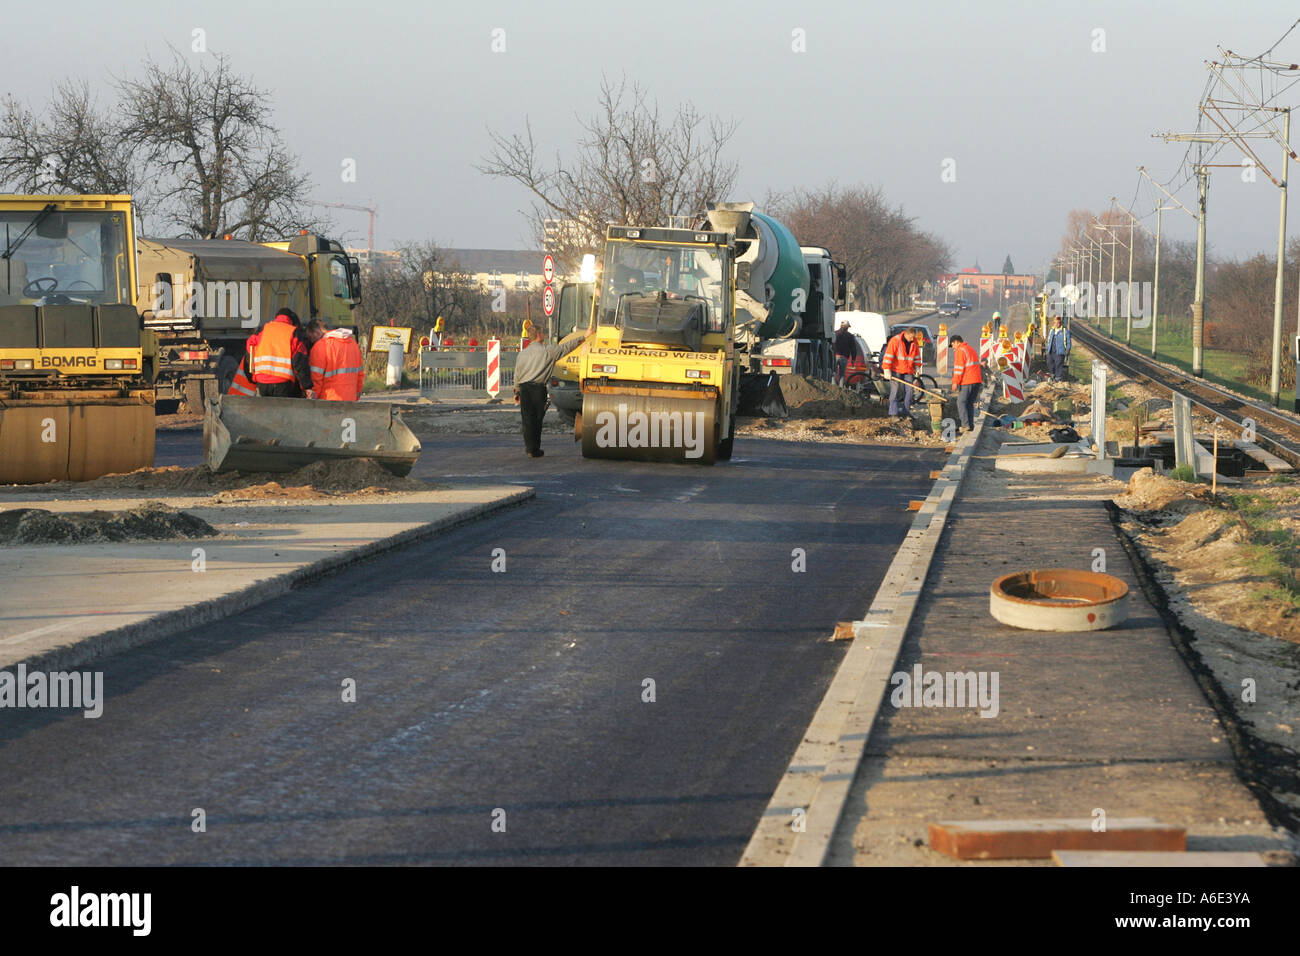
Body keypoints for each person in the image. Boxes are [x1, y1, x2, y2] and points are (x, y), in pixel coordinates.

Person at [512, 324, 593, 457]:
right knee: (537, 420)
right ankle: (535, 449)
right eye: (543, 332)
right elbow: (565, 348)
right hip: (538, 390)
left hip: (524, 389)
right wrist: (584, 337)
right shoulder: (548, 351)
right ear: (539, 335)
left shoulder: (522, 354)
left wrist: (516, 392)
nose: (544, 335)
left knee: (527, 420)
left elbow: (517, 374)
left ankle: (529, 448)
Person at [244, 307, 314, 398]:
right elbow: (300, 362)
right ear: (291, 320)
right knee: (281, 411)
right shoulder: (293, 332)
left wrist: (253, 378)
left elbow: (250, 350)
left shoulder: (263, 330)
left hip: (262, 381)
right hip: (283, 383)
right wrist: (306, 386)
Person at [306, 319, 365, 401]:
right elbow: (360, 375)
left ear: (316, 332)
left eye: (311, 337)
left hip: (328, 400)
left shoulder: (320, 347)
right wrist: (356, 395)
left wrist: (313, 399)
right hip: (350, 399)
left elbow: (316, 380)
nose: (311, 341)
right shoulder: (353, 344)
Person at [881, 326, 922, 417]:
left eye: (913, 337)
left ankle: (906, 412)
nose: (912, 339)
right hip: (896, 370)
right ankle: (893, 413)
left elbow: (916, 356)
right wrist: (887, 370)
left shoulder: (914, 341)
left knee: (910, 391)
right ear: (906, 334)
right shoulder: (895, 341)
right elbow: (888, 356)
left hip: (908, 370)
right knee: (895, 391)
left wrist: (917, 367)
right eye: (911, 337)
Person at [949, 334, 983, 434]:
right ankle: (970, 425)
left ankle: (965, 425)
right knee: (969, 403)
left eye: (953, 345)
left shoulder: (960, 350)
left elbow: (959, 369)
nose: (953, 348)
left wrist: (955, 382)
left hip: (968, 381)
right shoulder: (970, 349)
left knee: (961, 402)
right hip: (976, 380)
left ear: (956, 342)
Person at [1045, 316, 1071, 382]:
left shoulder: (1064, 331)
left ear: (1060, 323)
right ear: (1054, 323)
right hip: (1051, 350)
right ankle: (1053, 374)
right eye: (1055, 323)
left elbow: (1068, 341)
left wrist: (1067, 349)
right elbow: (1049, 340)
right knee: (1049, 362)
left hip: (1060, 351)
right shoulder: (1052, 330)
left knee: (1058, 364)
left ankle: (1058, 378)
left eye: (1058, 323)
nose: (1057, 324)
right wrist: (1047, 348)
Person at [833, 320, 856, 387]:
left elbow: (831, 345)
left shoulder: (835, 333)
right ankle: (840, 389)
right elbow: (853, 349)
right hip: (844, 358)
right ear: (847, 327)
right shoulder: (850, 336)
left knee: (833, 373)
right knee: (842, 375)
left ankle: (833, 388)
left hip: (835, 356)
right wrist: (853, 359)